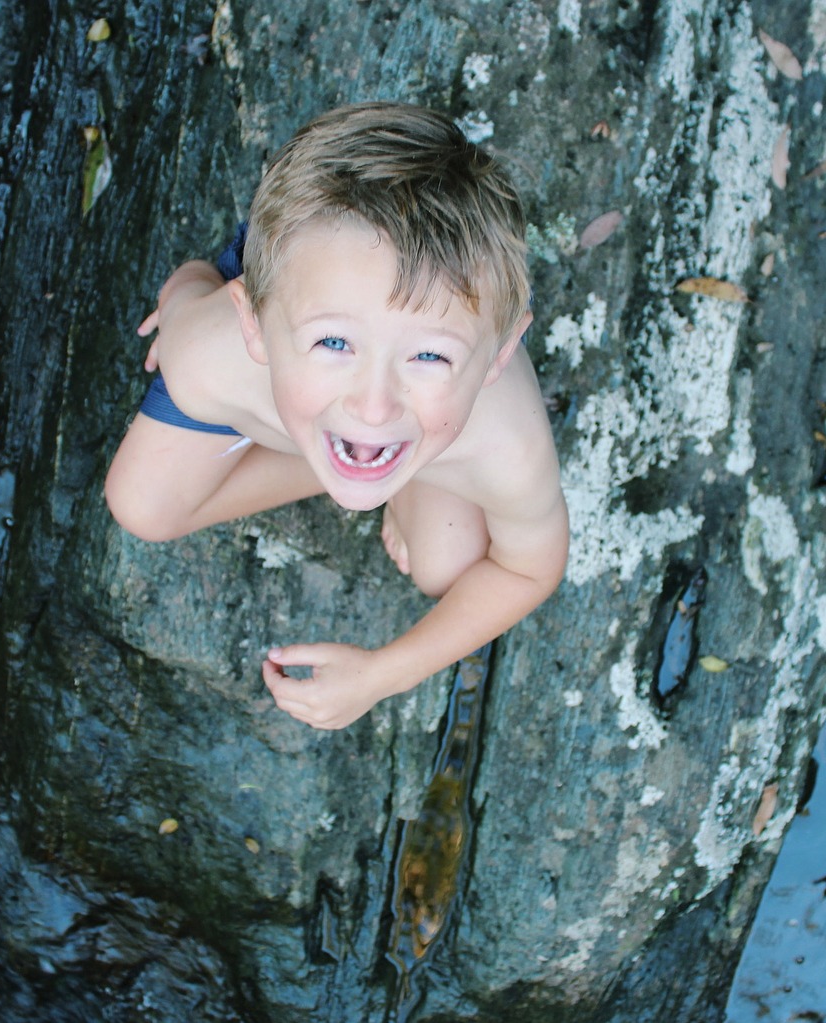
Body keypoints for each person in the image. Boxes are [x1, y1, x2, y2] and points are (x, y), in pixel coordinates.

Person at [105, 102, 569, 730]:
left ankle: (380, 444)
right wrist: (185, 293)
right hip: (266, 318)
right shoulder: (210, 356)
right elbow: (186, 293)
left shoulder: (506, 444)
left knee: (448, 566)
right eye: (334, 345)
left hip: (372, 371)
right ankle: (377, 415)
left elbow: (530, 565)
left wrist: (384, 673)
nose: (374, 405)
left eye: (430, 355)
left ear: (500, 354)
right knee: (142, 506)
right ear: (254, 326)